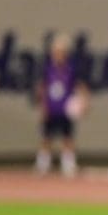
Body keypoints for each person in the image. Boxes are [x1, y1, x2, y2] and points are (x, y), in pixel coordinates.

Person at [35, 34, 87, 177]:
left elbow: (80, 87)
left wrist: (83, 102)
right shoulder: (47, 70)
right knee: (46, 138)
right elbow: (42, 88)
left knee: (68, 138)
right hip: (51, 110)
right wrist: (43, 107)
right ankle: (43, 165)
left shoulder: (71, 70)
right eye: (55, 52)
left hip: (65, 110)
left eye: (60, 52)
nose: (57, 55)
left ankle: (68, 165)